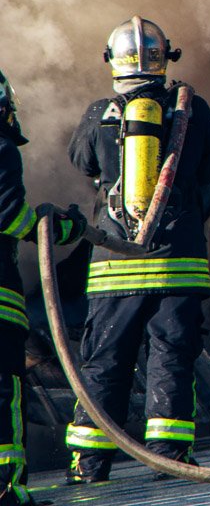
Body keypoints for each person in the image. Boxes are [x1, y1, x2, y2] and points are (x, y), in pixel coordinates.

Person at [64, 17, 210, 483]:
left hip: (114, 265)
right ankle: (169, 458)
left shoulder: (99, 114)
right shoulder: (193, 110)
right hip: (177, 264)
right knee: (171, 358)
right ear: (164, 58)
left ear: (111, 61)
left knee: (105, 362)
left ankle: (89, 464)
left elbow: (82, 161)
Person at [0, 69, 86, 505]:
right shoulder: (1, 148)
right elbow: (11, 218)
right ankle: (6, 492)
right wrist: (64, 228)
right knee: (4, 396)